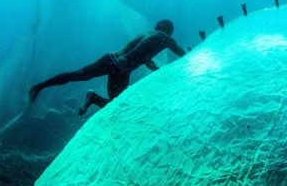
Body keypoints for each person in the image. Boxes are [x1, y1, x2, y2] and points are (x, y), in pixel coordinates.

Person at [28, 20, 186, 115]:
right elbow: (181, 53)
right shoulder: (165, 38)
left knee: (77, 75)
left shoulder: (146, 34)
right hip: (121, 70)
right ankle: (93, 98)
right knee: (116, 106)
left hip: (110, 59)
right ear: (169, 31)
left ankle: (39, 86)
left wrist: (157, 70)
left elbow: (143, 57)